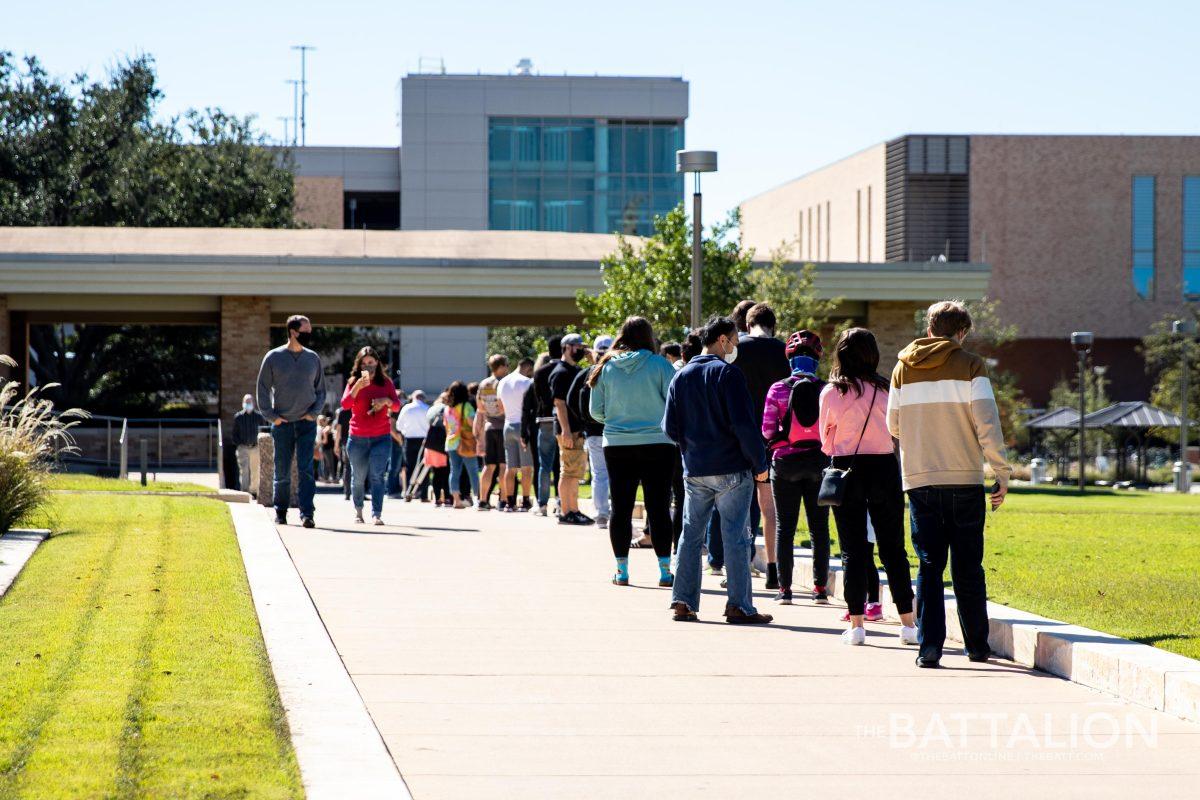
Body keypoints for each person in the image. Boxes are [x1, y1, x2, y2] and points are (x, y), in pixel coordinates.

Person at [887, 300, 1011, 668]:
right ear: (961, 333)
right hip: (964, 479)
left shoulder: (901, 368)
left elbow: (892, 424)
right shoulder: (972, 364)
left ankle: (930, 649)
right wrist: (1000, 471)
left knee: (928, 565)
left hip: (920, 479)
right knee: (968, 566)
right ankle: (976, 646)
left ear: (929, 329)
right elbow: (986, 422)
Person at [663, 316, 773, 625]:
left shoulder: (681, 376)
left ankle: (683, 601)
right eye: (735, 340)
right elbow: (744, 425)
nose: (736, 346)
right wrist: (760, 464)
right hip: (731, 469)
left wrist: (692, 448)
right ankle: (739, 605)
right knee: (736, 537)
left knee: (690, 536)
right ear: (722, 340)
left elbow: (670, 427)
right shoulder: (728, 374)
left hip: (695, 467)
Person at [818, 328, 917, 647]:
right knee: (892, 548)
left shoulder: (831, 392)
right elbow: (899, 430)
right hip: (884, 467)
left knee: (852, 549)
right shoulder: (887, 389)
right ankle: (909, 623)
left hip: (846, 467)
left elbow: (825, 439)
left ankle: (857, 625)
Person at [589, 318, 677, 585]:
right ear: (649, 336)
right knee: (659, 508)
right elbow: (673, 402)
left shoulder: (606, 366)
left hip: (617, 445)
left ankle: (622, 570)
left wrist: (618, 418)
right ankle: (664, 571)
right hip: (658, 444)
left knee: (621, 507)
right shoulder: (661, 364)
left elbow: (596, 411)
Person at [762, 330, 830, 605]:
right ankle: (820, 590)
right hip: (818, 463)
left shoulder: (778, 389)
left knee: (785, 527)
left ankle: (785, 590)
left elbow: (767, 430)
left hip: (785, 464)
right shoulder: (826, 389)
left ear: (790, 359)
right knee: (819, 528)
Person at [732, 302, 790, 590]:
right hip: (772, 435)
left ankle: (741, 563)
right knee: (769, 506)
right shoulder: (784, 351)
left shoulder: (736, 350)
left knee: (739, 504)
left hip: (739, 434)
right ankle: (772, 569)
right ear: (773, 324)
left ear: (747, 324)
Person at [256, 314, 326, 528]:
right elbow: (263, 389)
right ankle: (281, 511)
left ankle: (307, 514)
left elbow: (320, 390)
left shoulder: (313, 358)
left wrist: (313, 413)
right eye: (306, 331)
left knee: (306, 470)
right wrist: (272, 417)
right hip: (282, 424)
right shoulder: (273, 357)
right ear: (293, 332)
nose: (309, 334)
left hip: (306, 424)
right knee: (282, 470)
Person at [341, 346, 401, 525]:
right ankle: (359, 512)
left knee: (377, 475)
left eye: (371, 362)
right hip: (357, 437)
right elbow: (345, 404)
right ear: (359, 365)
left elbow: (397, 406)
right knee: (358, 477)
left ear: (377, 363)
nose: (368, 366)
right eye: (364, 363)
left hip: (381, 437)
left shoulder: (386, 383)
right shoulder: (353, 382)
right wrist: (358, 386)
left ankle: (377, 514)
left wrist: (386, 401)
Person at [550, 333, 593, 525]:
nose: (581, 350)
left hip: (576, 428)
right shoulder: (561, 372)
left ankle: (573, 509)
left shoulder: (573, 370)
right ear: (567, 347)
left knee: (574, 472)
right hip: (568, 429)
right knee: (568, 471)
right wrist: (566, 430)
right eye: (578, 346)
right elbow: (559, 403)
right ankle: (567, 511)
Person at [571, 335, 612, 528]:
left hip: (594, 431)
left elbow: (571, 398)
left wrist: (583, 420)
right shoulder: (617, 371)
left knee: (599, 473)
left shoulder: (588, 372)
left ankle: (601, 514)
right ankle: (614, 512)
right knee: (617, 473)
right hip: (615, 429)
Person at [497, 357, 535, 512]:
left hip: (508, 424)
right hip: (522, 425)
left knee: (510, 467)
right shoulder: (527, 382)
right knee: (526, 467)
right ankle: (525, 500)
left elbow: (500, 407)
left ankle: (509, 501)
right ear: (528, 368)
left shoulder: (503, 382)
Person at [532, 336, 564, 516]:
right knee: (561, 465)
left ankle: (542, 504)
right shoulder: (565, 370)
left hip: (544, 420)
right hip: (562, 420)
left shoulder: (540, 372)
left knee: (544, 464)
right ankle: (561, 501)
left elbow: (539, 398)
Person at [476, 355, 509, 510]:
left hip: (489, 426)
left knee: (488, 466)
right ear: (501, 366)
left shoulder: (484, 383)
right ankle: (503, 499)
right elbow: (504, 406)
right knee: (503, 466)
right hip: (503, 426)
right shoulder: (503, 383)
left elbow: (480, 407)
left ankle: (482, 500)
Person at [444, 381, 482, 509]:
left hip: (451, 442)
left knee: (454, 471)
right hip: (465, 442)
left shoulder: (448, 408)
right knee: (473, 471)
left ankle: (456, 500)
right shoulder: (466, 406)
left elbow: (447, 425)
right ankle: (479, 498)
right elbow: (472, 423)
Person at [397, 389, 431, 501]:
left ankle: (409, 493)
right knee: (423, 467)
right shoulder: (427, 409)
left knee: (409, 467)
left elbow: (399, 426)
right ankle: (424, 495)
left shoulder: (406, 408)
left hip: (409, 440)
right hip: (424, 441)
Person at [232, 393, 266, 496]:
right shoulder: (238, 417)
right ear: (243, 403)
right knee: (244, 471)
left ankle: (254, 492)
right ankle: (245, 492)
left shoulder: (259, 417)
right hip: (243, 448)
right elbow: (234, 434)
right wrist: (239, 445)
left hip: (255, 447)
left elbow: (263, 431)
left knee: (255, 470)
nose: (248, 404)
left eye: (249, 402)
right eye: (246, 402)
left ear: (253, 403)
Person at [425, 392, 451, 506]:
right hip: (443, 443)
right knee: (446, 472)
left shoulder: (431, 409)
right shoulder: (446, 409)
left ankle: (437, 499)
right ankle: (448, 498)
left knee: (436, 473)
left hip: (431, 444)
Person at [386, 389, 407, 498]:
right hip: (396, 440)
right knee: (394, 466)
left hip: (399, 440)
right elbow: (391, 428)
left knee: (399, 466)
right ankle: (392, 490)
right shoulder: (395, 410)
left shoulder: (400, 409)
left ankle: (396, 489)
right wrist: (400, 441)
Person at [335, 405, 352, 499]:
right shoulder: (359, 407)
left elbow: (338, 429)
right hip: (354, 439)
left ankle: (347, 492)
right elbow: (338, 429)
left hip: (345, 441)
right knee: (357, 466)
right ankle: (358, 492)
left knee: (347, 467)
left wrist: (336, 445)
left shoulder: (342, 411)